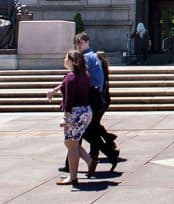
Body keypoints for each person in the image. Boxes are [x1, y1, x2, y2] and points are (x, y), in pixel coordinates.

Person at [46, 50, 95, 186]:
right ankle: (90, 162)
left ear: (72, 61)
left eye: (66, 58)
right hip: (86, 111)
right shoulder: (83, 75)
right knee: (71, 143)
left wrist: (66, 118)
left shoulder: (70, 78)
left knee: (72, 145)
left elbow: (68, 100)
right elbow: (64, 85)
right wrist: (54, 91)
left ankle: (73, 177)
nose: (64, 59)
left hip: (75, 113)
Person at [74, 32, 119, 175]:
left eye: (80, 43)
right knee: (89, 131)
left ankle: (106, 151)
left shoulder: (86, 58)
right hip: (96, 100)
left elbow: (87, 80)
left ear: (87, 42)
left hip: (91, 101)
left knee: (86, 132)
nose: (78, 46)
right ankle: (103, 150)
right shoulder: (93, 57)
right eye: (77, 44)